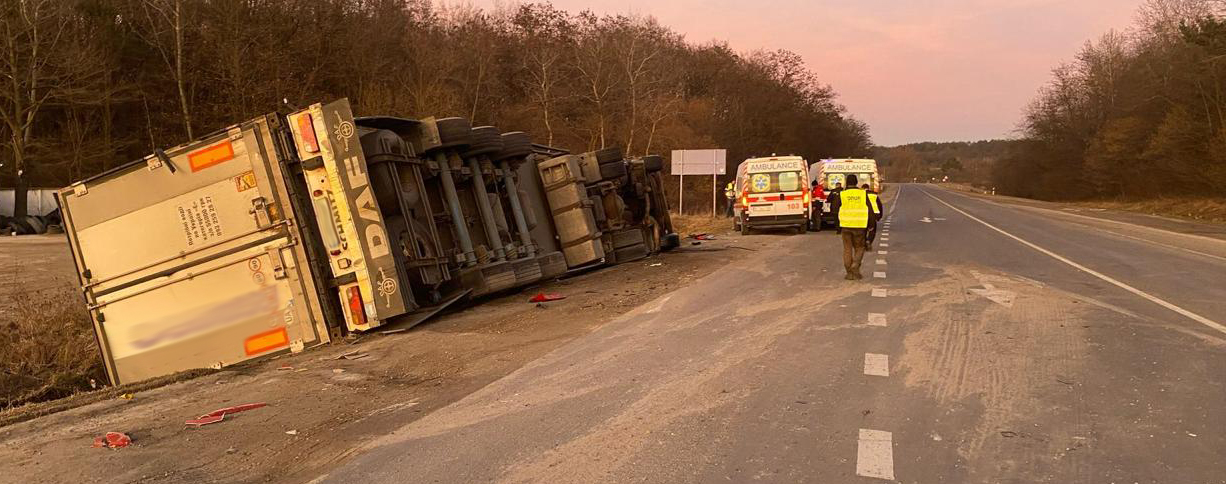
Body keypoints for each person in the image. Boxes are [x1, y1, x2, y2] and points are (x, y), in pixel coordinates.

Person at [829, 175, 878, 280]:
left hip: (846, 225)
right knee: (860, 248)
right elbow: (870, 210)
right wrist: (871, 225)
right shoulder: (863, 194)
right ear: (856, 183)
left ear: (847, 182)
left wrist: (838, 221)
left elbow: (834, 209)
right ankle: (855, 265)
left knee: (847, 249)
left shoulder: (842, 194)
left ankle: (849, 272)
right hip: (860, 225)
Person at [864, 184, 883, 251]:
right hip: (874, 214)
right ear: (868, 188)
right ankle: (869, 241)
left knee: (864, 230)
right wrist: (880, 215)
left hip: (864, 213)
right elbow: (880, 205)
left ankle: (864, 241)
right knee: (872, 230)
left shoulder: (861, 195)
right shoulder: (874, 195)